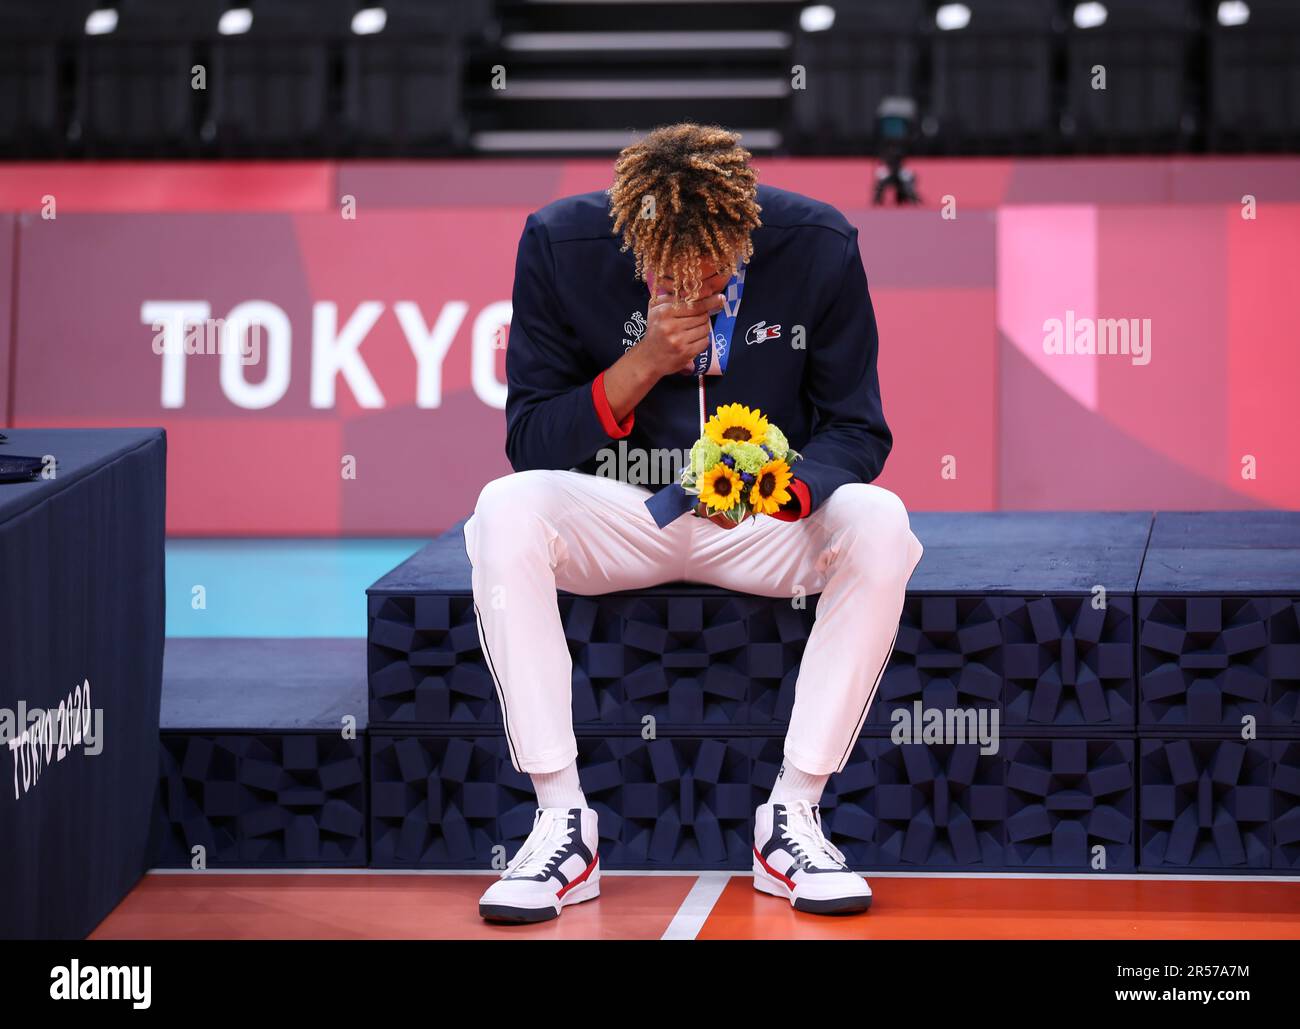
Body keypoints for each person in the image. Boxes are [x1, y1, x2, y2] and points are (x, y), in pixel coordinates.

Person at [466, 123, 923, 923]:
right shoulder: (559, 242)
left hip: (762, 520)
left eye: (708, 269)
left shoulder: (817, 244)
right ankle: (561, 821)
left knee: (882, 522)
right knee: (503, 512)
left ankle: (794, 815)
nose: (686, 284)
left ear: (744, 232)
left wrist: (781, 491)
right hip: (625, 510)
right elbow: (529, 440)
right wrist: (637, 367)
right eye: (663, 269)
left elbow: (859, 429)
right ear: (631, 236)